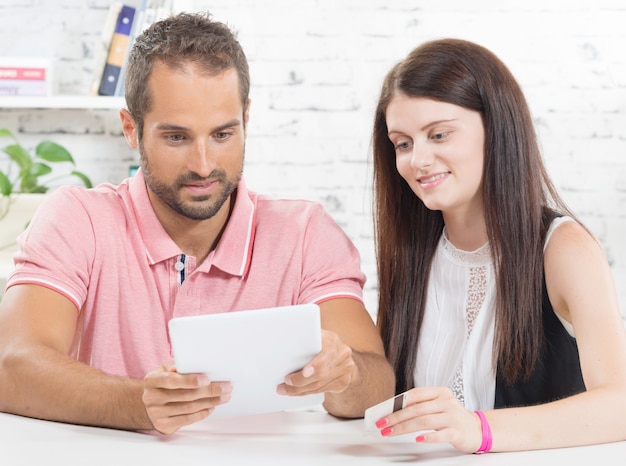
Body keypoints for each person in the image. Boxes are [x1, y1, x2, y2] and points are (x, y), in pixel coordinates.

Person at [0, 12, 394, 435]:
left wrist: (345, 376)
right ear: (131, 129)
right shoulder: (79, 219)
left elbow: (378, 384)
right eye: (176, 137)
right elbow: (11, 364)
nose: (203, 165)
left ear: (247, 118)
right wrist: (140, 404)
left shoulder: (304, 232)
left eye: (222, 135)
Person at [369, 38, 626, 453]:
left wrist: (479, 429)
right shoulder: (412, 255)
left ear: (498, 128)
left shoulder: (563, 250)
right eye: (403, 143)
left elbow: (620, 405)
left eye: (438, 134)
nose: (417, 159)